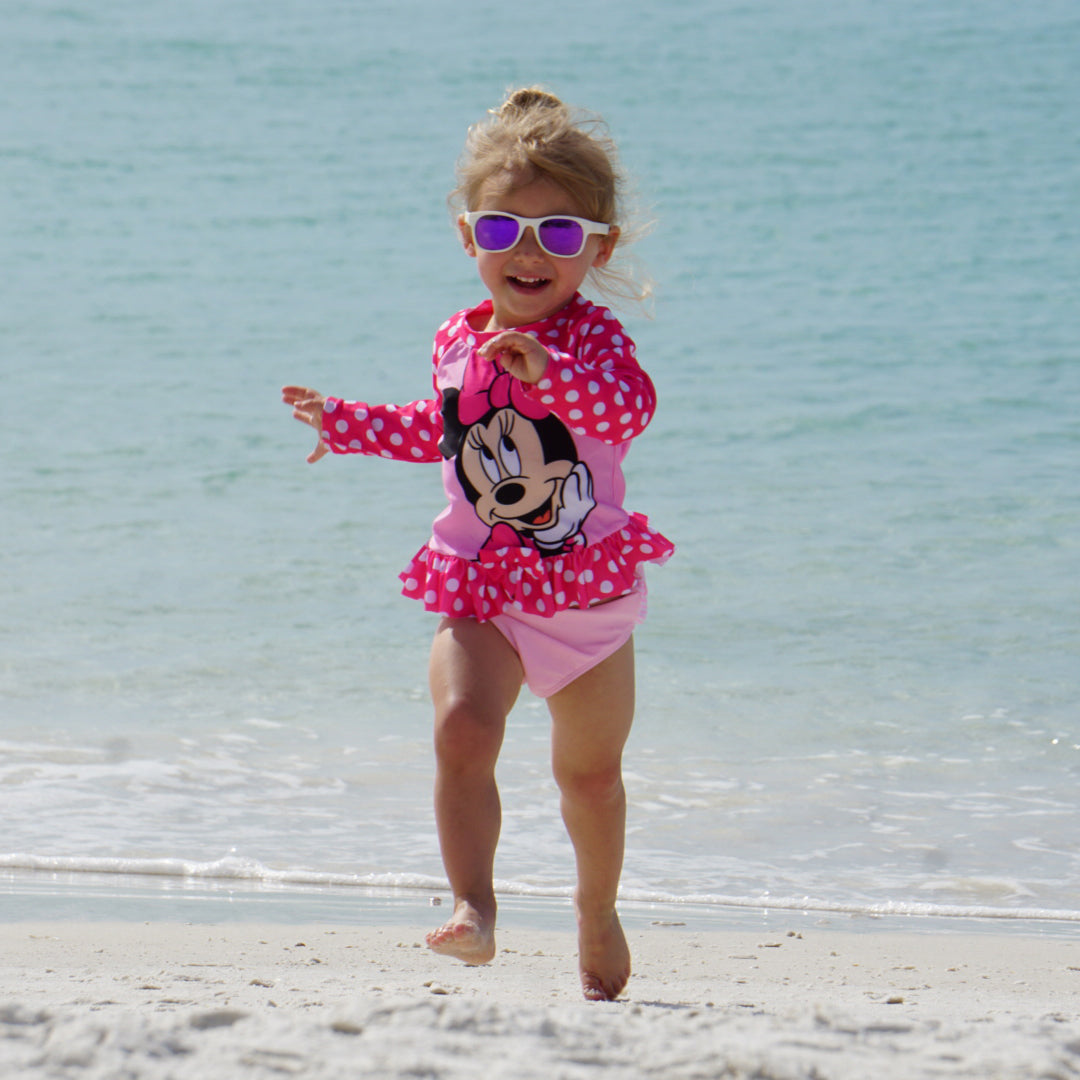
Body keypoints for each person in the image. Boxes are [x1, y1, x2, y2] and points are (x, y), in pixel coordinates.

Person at [282, 87, 673, 1002]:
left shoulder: (596, 343)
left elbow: (629, 410)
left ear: (599, 248)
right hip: (480, 586)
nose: (528, 253)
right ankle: (474, 909)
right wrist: (348, 423)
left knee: (589, 778)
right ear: (469, 239)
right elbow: (445, 428)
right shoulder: (456, 339)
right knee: (462, 727)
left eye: (558, 233)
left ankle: (597, 909)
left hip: (583, 596)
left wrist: (551, 371)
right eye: (503, 230)